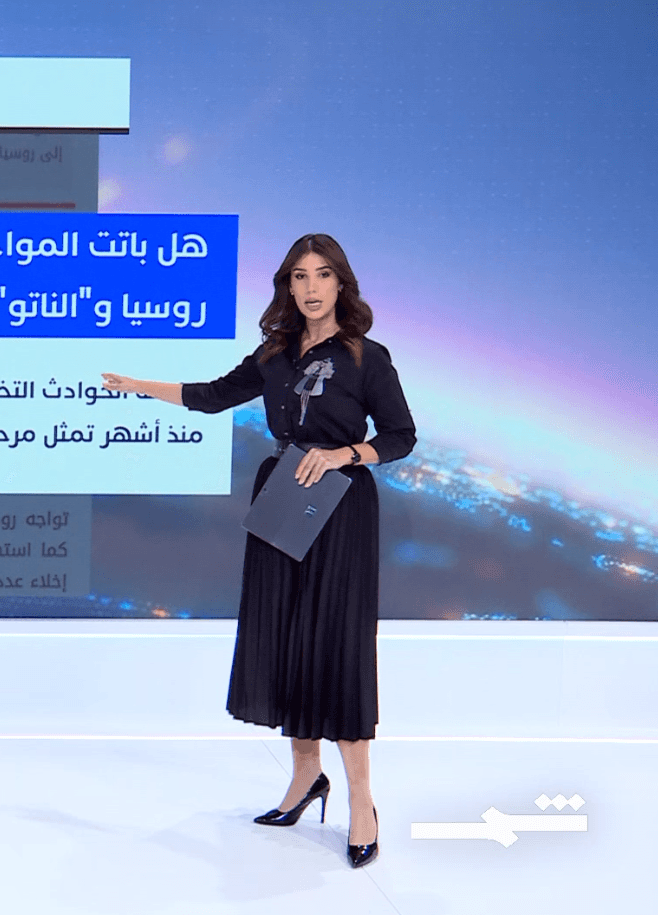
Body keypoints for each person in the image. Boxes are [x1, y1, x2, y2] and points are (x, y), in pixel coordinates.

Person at [100, 233, 415, 868]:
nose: (311, 287)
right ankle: (305, 778)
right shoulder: (275, 354)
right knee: (288, 638)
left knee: (336, 645)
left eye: (322, 275)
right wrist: (138, 385)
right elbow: (212, 396)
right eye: (299, 276)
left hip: (341, 506)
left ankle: (362, 801)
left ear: (341, 283)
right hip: (281, 498)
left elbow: (401, 436)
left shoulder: (367, 356)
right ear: (287, 287)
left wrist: (345, 454)